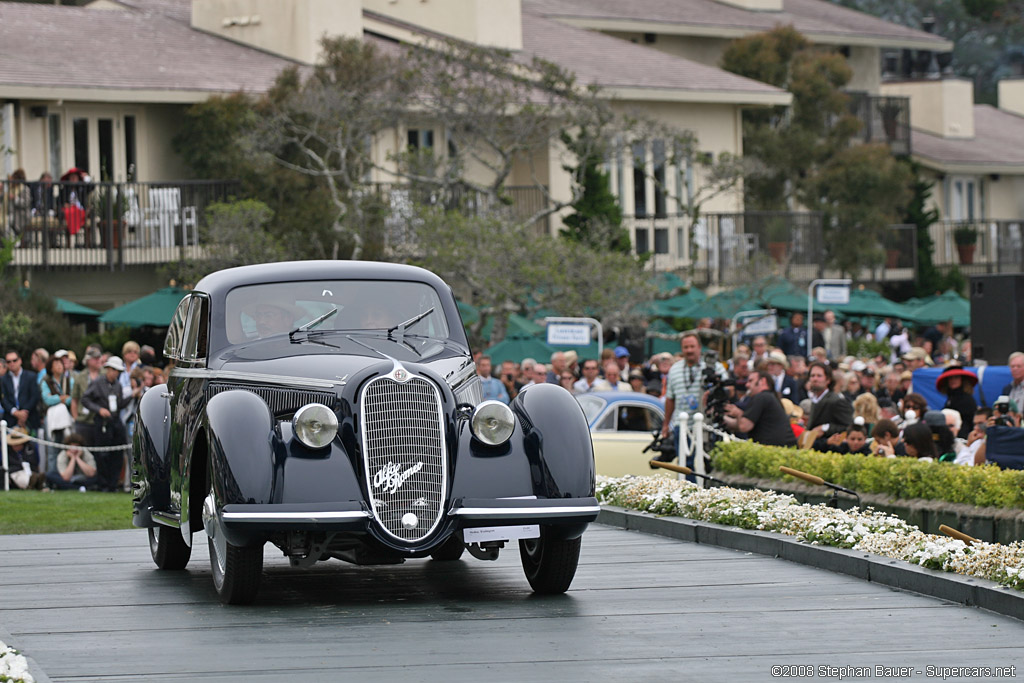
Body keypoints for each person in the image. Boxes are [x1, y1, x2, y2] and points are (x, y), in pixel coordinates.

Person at [81, 355, 132, 491]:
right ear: (108, 369)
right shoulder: (97, 383)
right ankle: (103, 483)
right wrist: (99, 409)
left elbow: (120, 404)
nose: (115, 373)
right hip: (101, 422)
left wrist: (133, 395)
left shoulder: (118, 385)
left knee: (117, 454)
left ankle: (113, 483)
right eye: (113, 370)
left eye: (117, 371)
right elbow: (85, 399)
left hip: (115, 421)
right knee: (102, 454)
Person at [722, 370, 797, 447]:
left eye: (751, 381)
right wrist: (723, 418)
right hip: (778, 449)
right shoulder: (767, 397)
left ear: (763, 381)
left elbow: (744, 426)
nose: (747, 385)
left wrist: (738, 413)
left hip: (775, 451)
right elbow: (739, 424)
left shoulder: (762, 397)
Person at [40, 354, 74, 472]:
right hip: (51, 419)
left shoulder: (70, 381)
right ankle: (52, 477)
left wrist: (57, 398)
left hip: (68, 419)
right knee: (52, 449)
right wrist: (62, 398)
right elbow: (47, 400)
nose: (59, 366)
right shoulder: (46, 382)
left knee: (67, 448)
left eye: (61, 364)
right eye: (56, 364)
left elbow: (73, 399)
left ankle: (65, 476)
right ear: (50, 368)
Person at [805, 361, 853, 437]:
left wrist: (825, 428)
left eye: (819, 376)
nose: (815, 379)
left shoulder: (837, 400)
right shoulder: (814, 399)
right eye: (812, 375)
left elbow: (848, 426)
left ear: (828, 380)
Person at [1, 350, 42, 433]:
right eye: (9, 362)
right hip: (10, 420)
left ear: (20, 361)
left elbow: (35, 396)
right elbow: (3, 399)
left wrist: (24, 412)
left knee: (33, 445)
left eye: (14, 360)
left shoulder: (31, 376)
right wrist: (15, 412)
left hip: (30, 418)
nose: (12, 363)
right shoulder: (3, 380)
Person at [935, 366, 978, 440]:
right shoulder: (951, 398)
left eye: (956, 377)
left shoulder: (966, 399)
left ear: (962, 380)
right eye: (950, 378)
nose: (953, 380)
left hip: (962, 437)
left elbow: (970, 421)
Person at [6, 169, 32, 240]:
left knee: (7, 222)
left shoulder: (24, 189)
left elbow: (26, 203)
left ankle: (14, 241)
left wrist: (15, 198)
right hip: (11, 213)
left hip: (21, 214)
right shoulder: (12, 189)